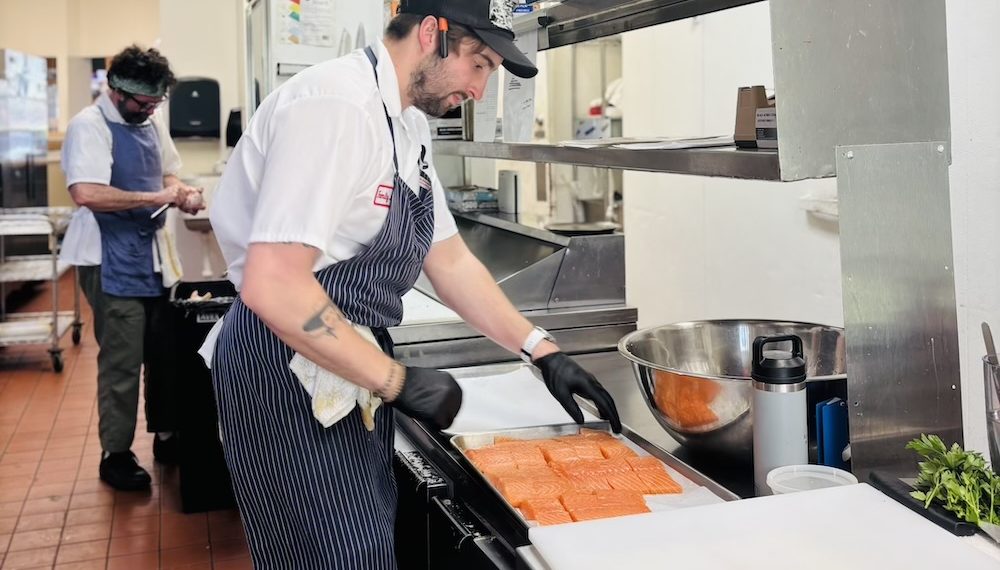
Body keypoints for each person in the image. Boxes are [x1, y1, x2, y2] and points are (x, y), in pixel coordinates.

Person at [206, 0, 621, 567]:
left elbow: (448, 260)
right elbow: (274, 284)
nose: (479, 90)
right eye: (479, 64)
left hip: (346, 364)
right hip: (283, 364)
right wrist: (396, 380)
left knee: (365, 543)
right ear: (432, 33)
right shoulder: (336, 107)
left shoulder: (408, 125)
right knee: (333, 557)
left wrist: (540, 348)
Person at [61, 45, 204, 491]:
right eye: (143, 103)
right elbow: (86, 192)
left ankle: (166, 435)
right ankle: (116, 454)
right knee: (123, 360)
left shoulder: (150, 122)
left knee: (164, 354)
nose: (150, 110)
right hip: (109, 258)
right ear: (116, 91)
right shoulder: (89, 126)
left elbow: (168, 173)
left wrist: (181, 192)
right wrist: (155, 197)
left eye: (156, 103)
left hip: (151, 255)